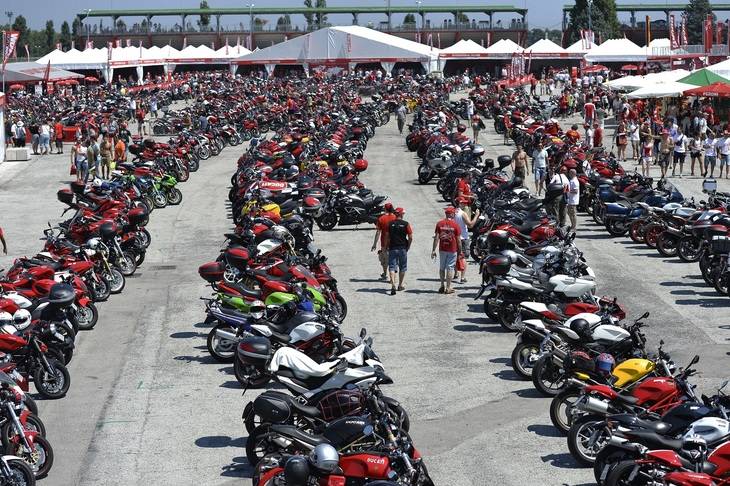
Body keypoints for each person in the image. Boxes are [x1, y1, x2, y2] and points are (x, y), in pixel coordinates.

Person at [431, 206, 462, 294]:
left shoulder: (439, 224)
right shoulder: (456, 225)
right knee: (450, 268)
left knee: (441, 268)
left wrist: (433, 250)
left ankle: (442, 285)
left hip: (442, 249)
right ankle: (448, 287)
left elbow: (436, 238)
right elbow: (458, 240)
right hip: (452, 249)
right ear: (452, 214)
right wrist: (460, 251)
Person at [384, 207, 413, 295]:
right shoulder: (405, 224)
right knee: (403, 267)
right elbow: (410, 237)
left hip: (392, 247)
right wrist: (408, 246)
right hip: (402, 248)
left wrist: (386, 246)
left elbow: (387, 237)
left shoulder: (390, 224)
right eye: (403, 213)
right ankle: (400, 285)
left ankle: (393, 284)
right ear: (400, 214)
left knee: (392, 266)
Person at [454, 198, 479, 283]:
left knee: (456, 255)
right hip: (463, 238)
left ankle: (456, 273)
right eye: (463, 203)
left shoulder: (453, 212)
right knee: (464, 257)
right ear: (459, 203)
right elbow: (470, 225)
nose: (465, 205)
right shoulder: (462, 213)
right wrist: (476, 216)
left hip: (455, 237)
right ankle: (462, 277)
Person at [371, 203, 397, 280]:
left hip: (384, 243)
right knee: (393, 260)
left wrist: (374, 244)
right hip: (394, 242)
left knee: (384, 259)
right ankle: (393, 278)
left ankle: (385, 274)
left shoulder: (381, 219)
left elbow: (378, 232)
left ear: (385, 209)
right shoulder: (395, 217)